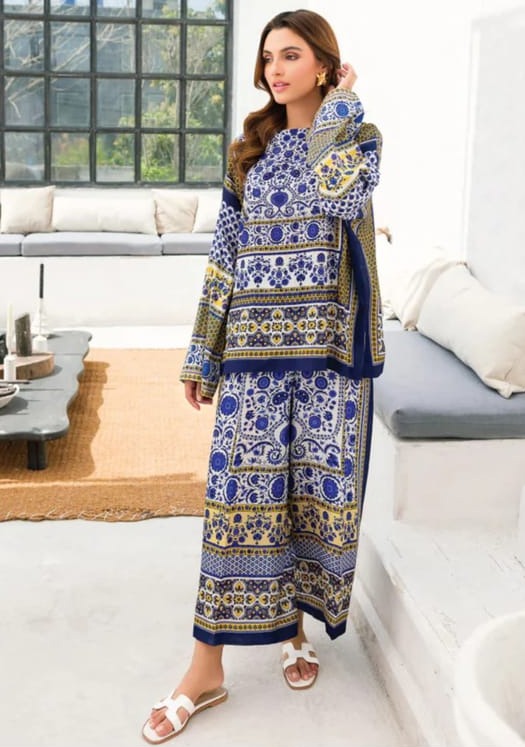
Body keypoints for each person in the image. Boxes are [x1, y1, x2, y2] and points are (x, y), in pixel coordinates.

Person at [142, 8, 384, 743]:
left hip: (326, 360)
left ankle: (292, 629)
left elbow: (342, 195)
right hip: (252, 356)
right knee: (237, 505)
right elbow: (225, 256)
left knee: (310, 502)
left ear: (325, 66)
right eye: (269, 57)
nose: (276, 69)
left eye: (292, 55)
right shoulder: (246, 151)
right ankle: (205, 667)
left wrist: (340, 110)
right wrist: (203, 350)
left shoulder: (357, 136)